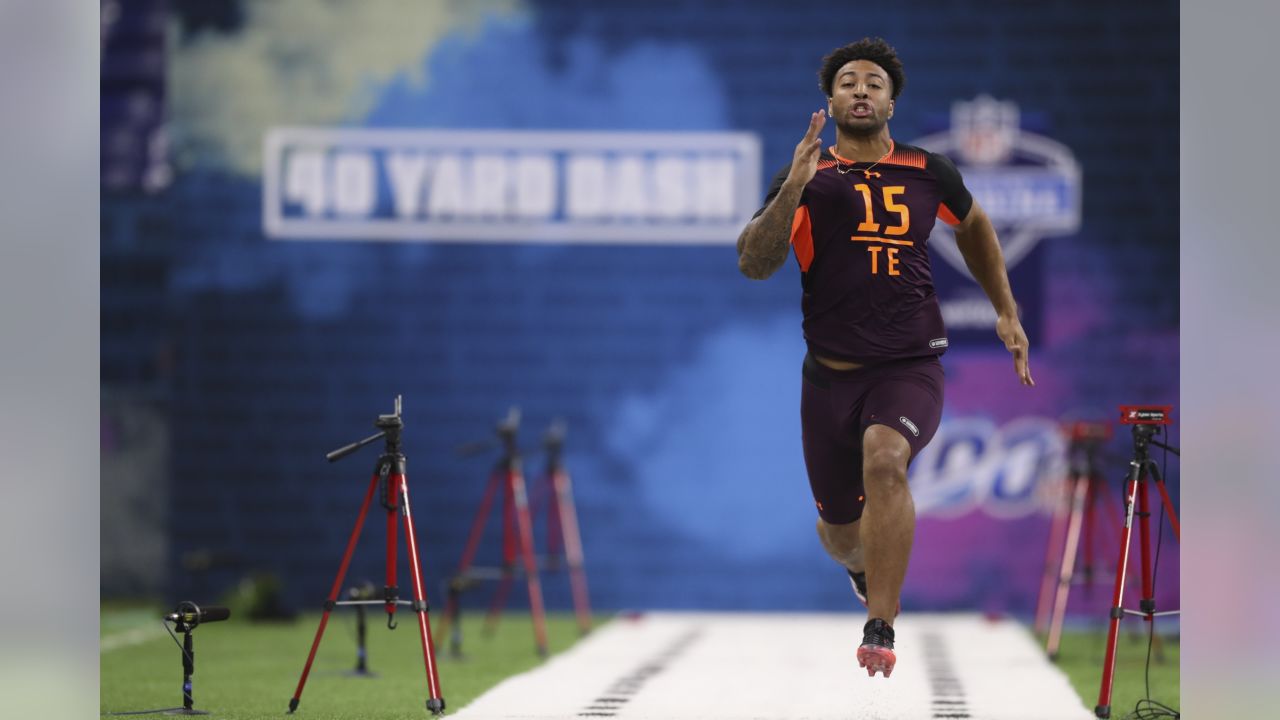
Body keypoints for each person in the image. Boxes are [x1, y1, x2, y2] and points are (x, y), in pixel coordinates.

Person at [736, 37, 1034, 678]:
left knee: (886, 460)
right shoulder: (807, 178)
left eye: (874, 81)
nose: (862, 89)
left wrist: (1006, 309)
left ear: (892, 99)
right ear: (830, 100)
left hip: (908, 366)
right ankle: (862, 568)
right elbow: (755, 265)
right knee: (840, 536)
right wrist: (792, 186)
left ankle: (881, 624)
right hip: (829, 380)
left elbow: (976, 224)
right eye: (848, 81)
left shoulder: (930, 170)